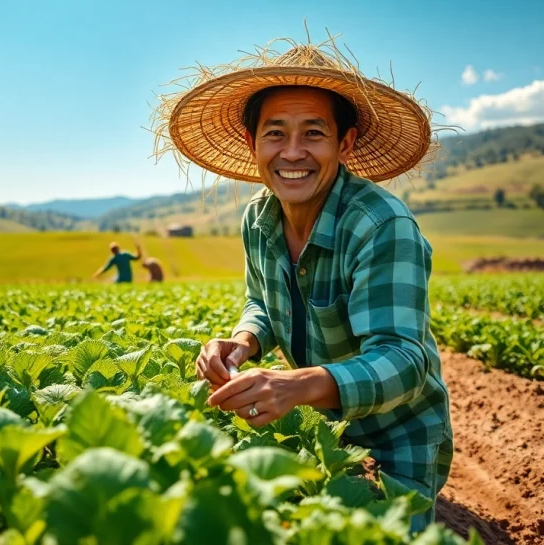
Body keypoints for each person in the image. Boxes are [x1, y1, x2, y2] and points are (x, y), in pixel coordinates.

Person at [151, 35, 452, 533]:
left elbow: (405, 361)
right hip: (322, 426)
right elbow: (262, 303)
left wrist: (296, 384)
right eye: (275, 134)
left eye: (313, 133)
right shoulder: (257, 219)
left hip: (399, 436)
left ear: (344, 143)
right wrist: (243, 342)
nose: (293, 152)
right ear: (253, 145)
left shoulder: (380, 225)